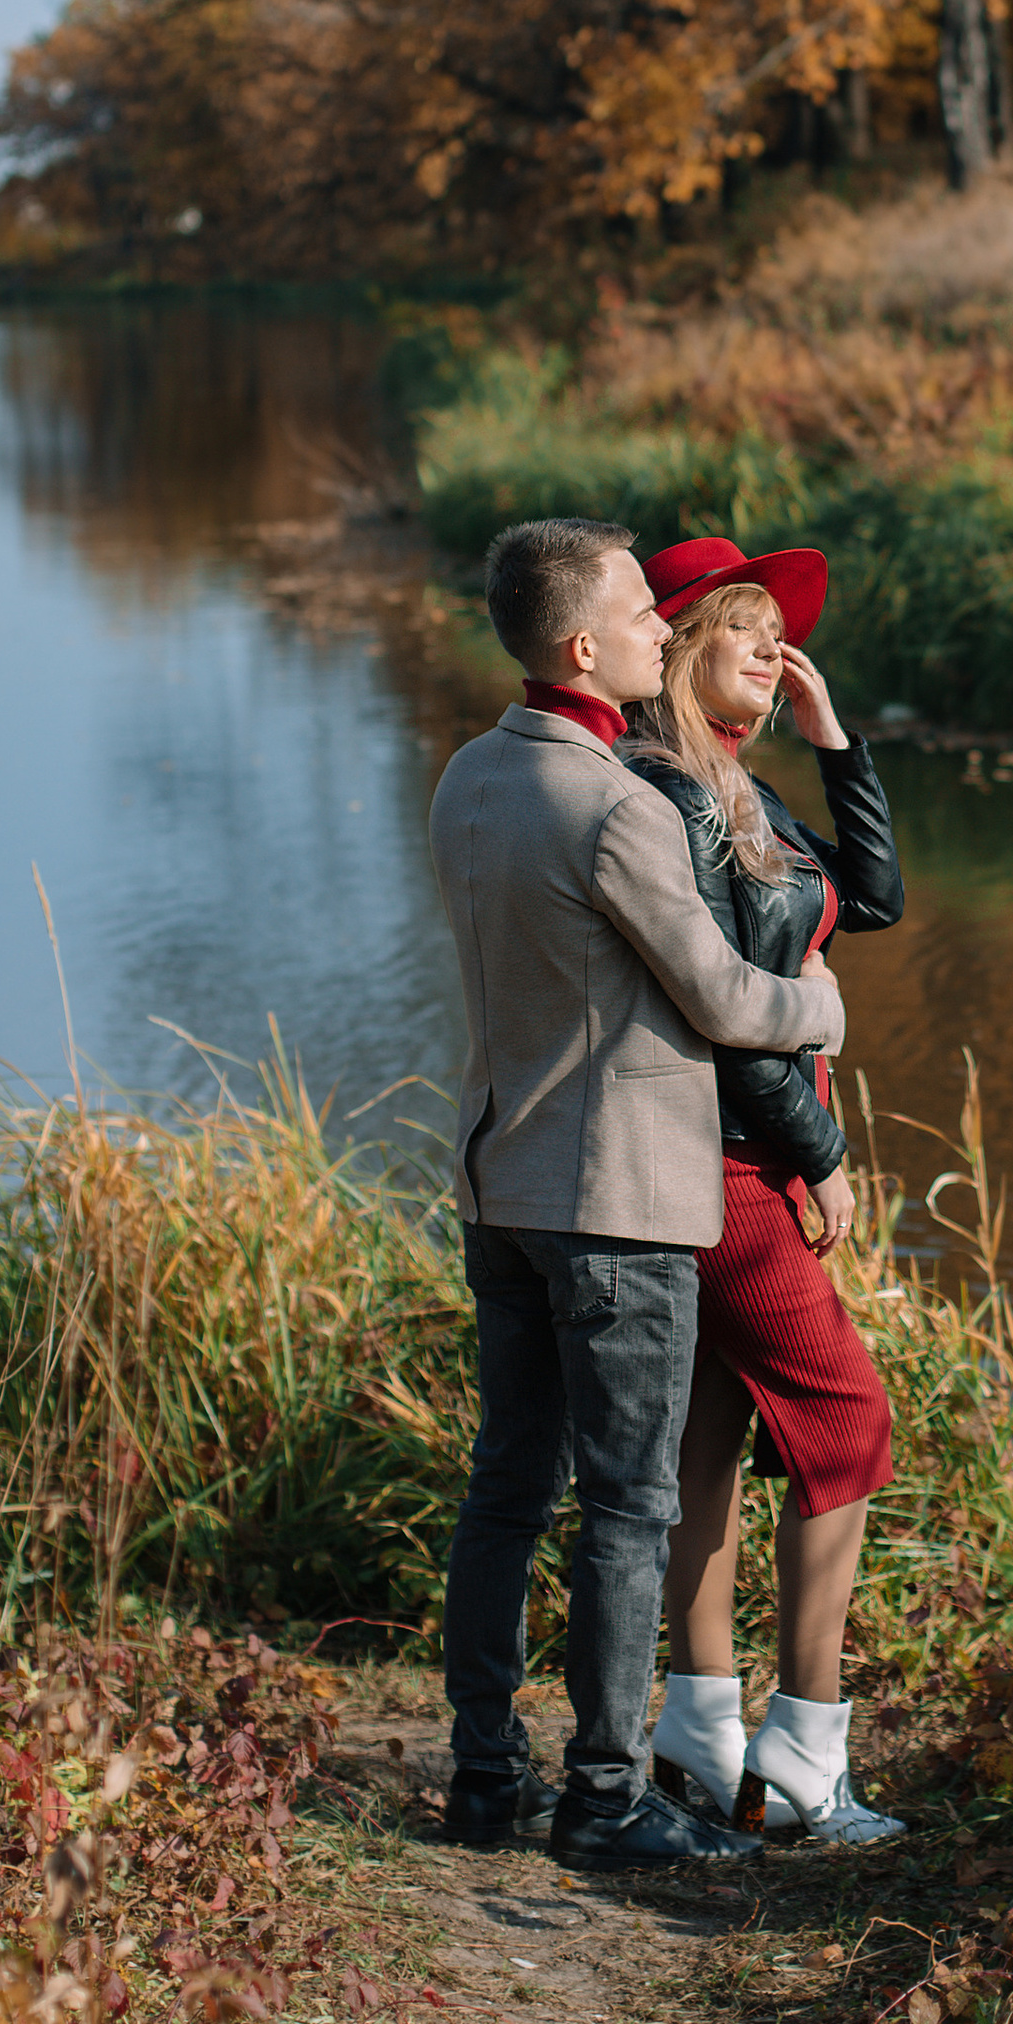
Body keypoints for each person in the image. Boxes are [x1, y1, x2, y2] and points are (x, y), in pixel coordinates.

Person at [427, 515, 846, 1871]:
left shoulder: (467, 779)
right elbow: (724, 998)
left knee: (505, 1491)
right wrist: (818, 1008)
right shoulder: (612, 803)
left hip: (503, 1188)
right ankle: (604, 1800)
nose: (666, 629)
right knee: (626, 1506)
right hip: (618, 1200)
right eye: (642, 611)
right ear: (584, 643)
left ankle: (483, 1781)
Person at [624, 536, 908, 1847]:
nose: (770, 647)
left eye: (774, 630)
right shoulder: (674, 798)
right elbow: (737, 1029)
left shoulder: (739, 788)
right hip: (738, 1166)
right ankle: (805, 1755)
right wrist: (820, 1158)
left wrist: (833, 734)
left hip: (743, 1160)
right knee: (847, 1425)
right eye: (742, 629)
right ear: (678, 649)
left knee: (714, 1435)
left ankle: (699, 1727)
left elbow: (881, 902)